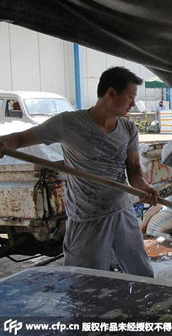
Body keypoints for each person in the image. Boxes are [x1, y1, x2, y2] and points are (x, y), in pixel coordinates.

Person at [0, 67, 158, 277]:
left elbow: (134, 169)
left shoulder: (128, 129)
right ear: (111, 93)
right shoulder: (68, 123)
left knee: (143, 275)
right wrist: (3, 143)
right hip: (86, 217)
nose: (133, 103)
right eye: (130, 96)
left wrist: (143, 187)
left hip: (122, 211)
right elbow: (20, 139)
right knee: (85, 281)